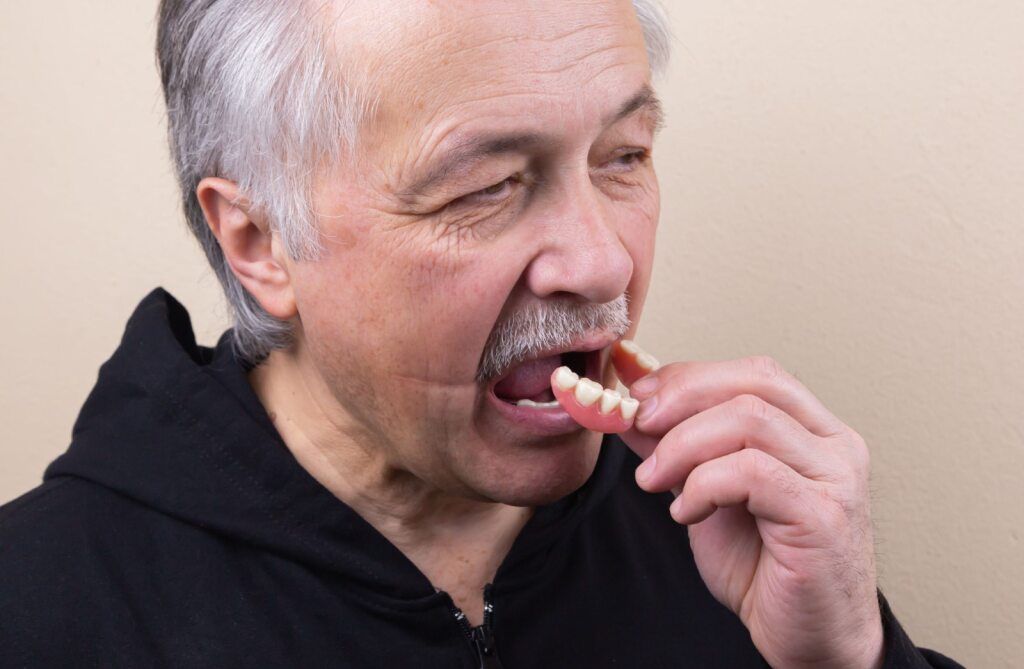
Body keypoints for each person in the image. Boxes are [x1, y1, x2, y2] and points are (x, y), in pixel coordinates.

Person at [0, 1, 962, 667]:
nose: (603, 262)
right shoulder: (40, 613)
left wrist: (854, 663)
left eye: (623, 156)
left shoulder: (730, 549)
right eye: (486, 187)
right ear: (259, 243)